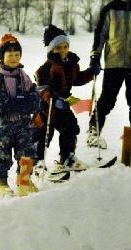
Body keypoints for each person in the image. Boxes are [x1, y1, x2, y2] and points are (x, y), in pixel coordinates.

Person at [34, 24, 99, 180]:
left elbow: (77, 79)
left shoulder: (71, 64)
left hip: (63, 105)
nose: (63, 50)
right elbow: (39, 87)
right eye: (58, 48)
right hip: (47, 107)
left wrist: (91, 73)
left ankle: (67, 157)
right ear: (51, 50)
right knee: (43, 132)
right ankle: (38, 161)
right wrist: (49, 90)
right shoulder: (46, 68)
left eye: (65, 46)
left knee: (70, 128)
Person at [0, 33, 40, 197]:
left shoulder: (23, 77)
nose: (13, 58)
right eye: (9, 55)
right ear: (2, 56)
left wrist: (29, 103)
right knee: (2, 154)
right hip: (2, 126)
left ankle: (24, 180)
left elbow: (34, 94)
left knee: (26, 152)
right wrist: (4, 102)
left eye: (16, 55)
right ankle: (0, 182)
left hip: (22, 125)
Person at [87, 0, 131, 148]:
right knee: (107, 99)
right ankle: (94, 130)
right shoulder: (110, 8)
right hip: (114, 63)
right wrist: (95, 56)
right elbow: (100, 34)